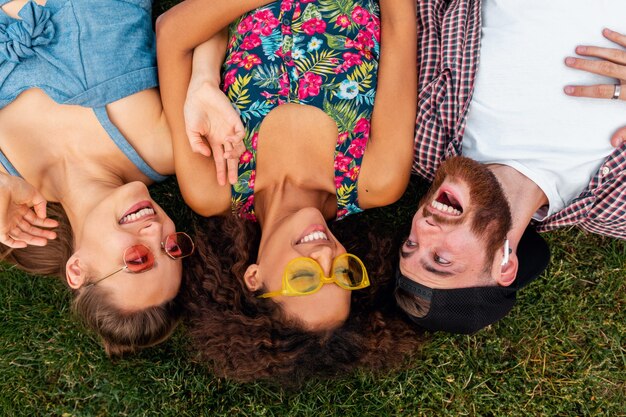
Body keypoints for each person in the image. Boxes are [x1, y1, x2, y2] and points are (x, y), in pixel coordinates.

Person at [155, 0, 419, 379]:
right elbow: (398, 19)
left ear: (254, 277)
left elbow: (172, 35)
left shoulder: (213, 184)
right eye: (343, 274)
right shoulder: (376, 178)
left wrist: (204, 81)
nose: (326, 255)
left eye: (305, 277)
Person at [0, 0, 231, 355]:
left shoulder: (8, 186)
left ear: (77, 269)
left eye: (138, 259)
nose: (157, 233)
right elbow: (203, 25)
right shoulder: (163, 147)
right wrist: (205, 77)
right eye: (171, 249)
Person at [395, 0, 626, 335]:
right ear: (504, 265)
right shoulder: (615, 206)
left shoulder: (422, 136)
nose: (424, 228)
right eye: (441, 260)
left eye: (411, 244)